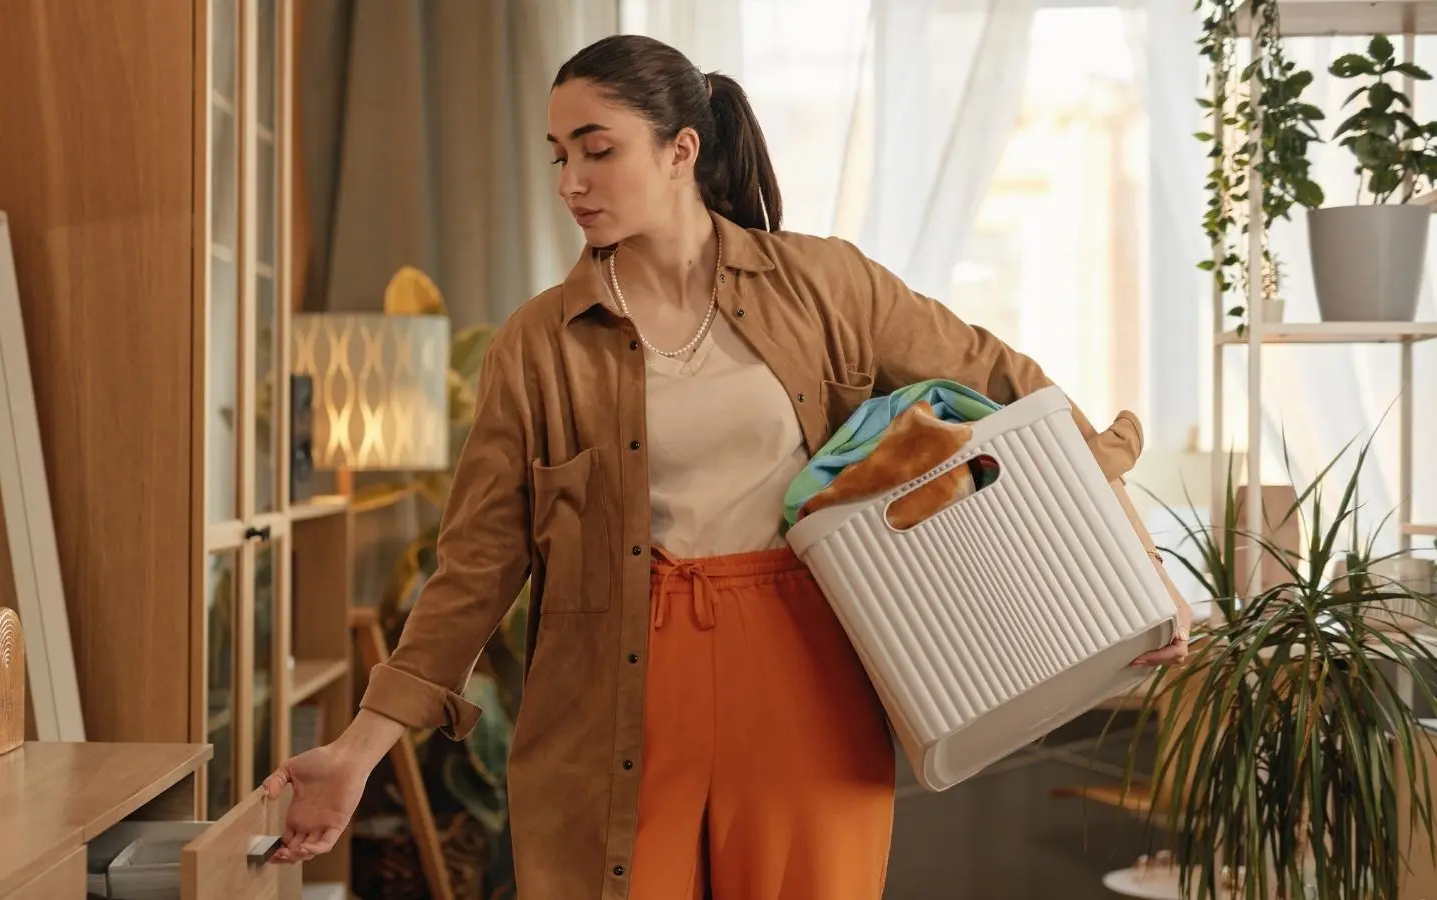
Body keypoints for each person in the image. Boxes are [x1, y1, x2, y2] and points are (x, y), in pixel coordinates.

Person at [262, 34, 1193, 899]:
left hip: (805, 671)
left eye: (598, 150)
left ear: (682, 151)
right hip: (613, 696)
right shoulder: (538, 345)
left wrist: (1136, 562)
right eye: (559, 156)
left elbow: (1014, 391)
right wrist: (356, 752)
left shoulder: (825, 285)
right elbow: (475, 569)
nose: (572, 182)